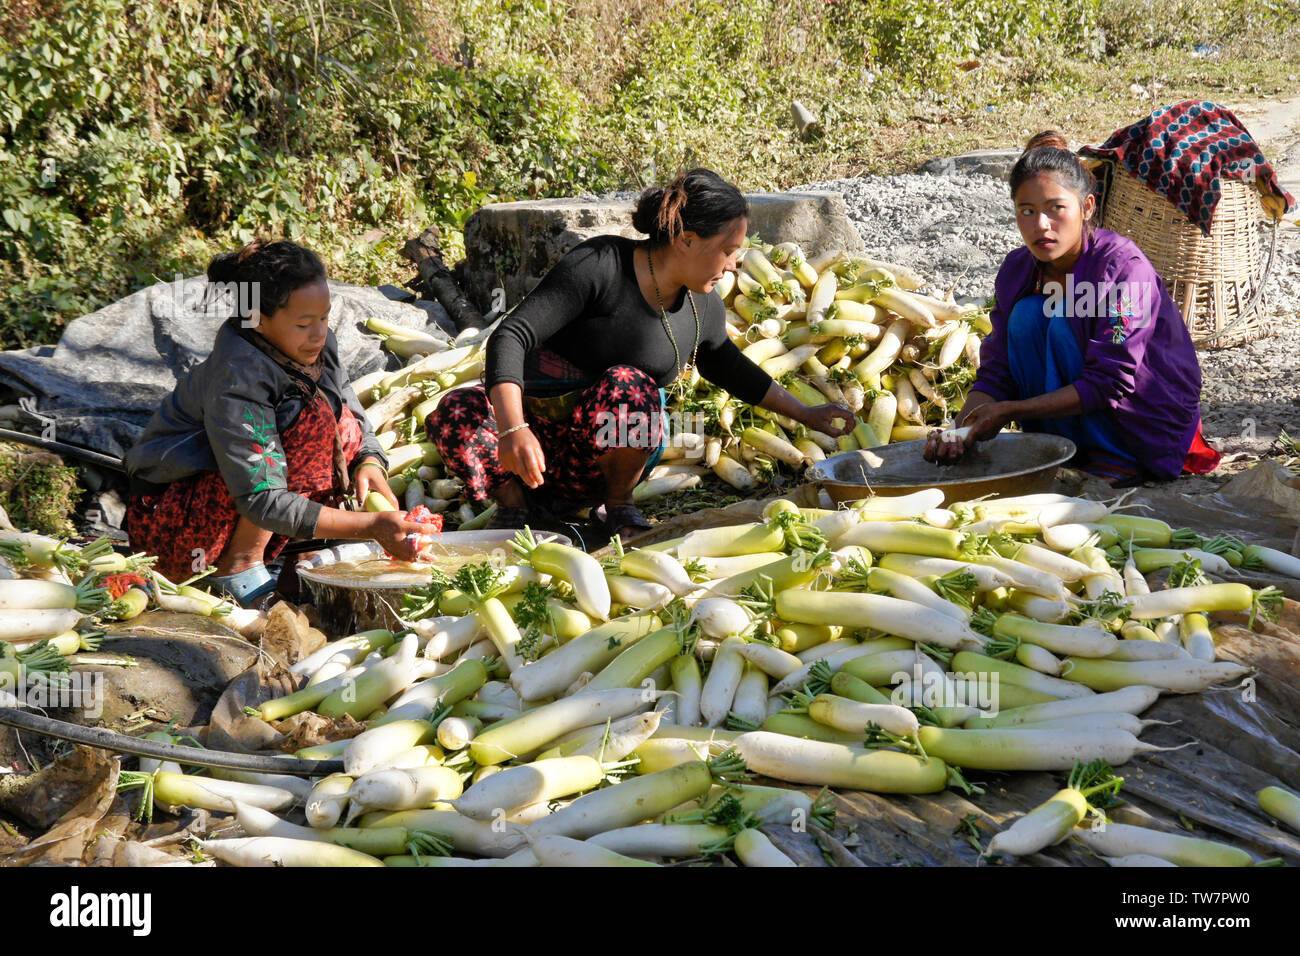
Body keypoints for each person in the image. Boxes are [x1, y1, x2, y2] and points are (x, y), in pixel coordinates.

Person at [427, 168, 854, 538]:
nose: (733, 264)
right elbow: (511, 336)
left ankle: (617, 505)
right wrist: (512, 430)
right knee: (456, 408)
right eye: (727, 250)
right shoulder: (600, 265)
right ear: (686, 240)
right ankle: (515, 507)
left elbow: (725, 363)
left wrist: (806, 413)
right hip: (525, 452)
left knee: (628, 386)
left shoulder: (702, 302)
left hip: (597, 462)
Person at [124, 240, 428, 606]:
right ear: (258, 318)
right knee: (306, 426)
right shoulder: (238, 377)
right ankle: (238, 566)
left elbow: (347, 403)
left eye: (324, 317)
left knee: (335, 420)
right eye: (303, 323)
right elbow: (261, 499)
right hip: (179, 524)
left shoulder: (318, 344)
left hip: (250, 501)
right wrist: (371, 526)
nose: (319, 333)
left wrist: (369, 458)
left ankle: (302, 552)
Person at [925, 131, 1220, 484]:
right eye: (1027, 211)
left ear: (1087, 208)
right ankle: (1064, 448)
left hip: (1142, 422)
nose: (1041, 225)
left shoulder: (1125, 269)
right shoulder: (1017, 270)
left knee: (1066, 318)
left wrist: (1010, 411)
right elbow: (998, 370)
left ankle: (1113, 457)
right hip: (1074, 418)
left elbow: (1111, 382)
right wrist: (958, 430)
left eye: (1056, 209)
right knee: (1027, 316)